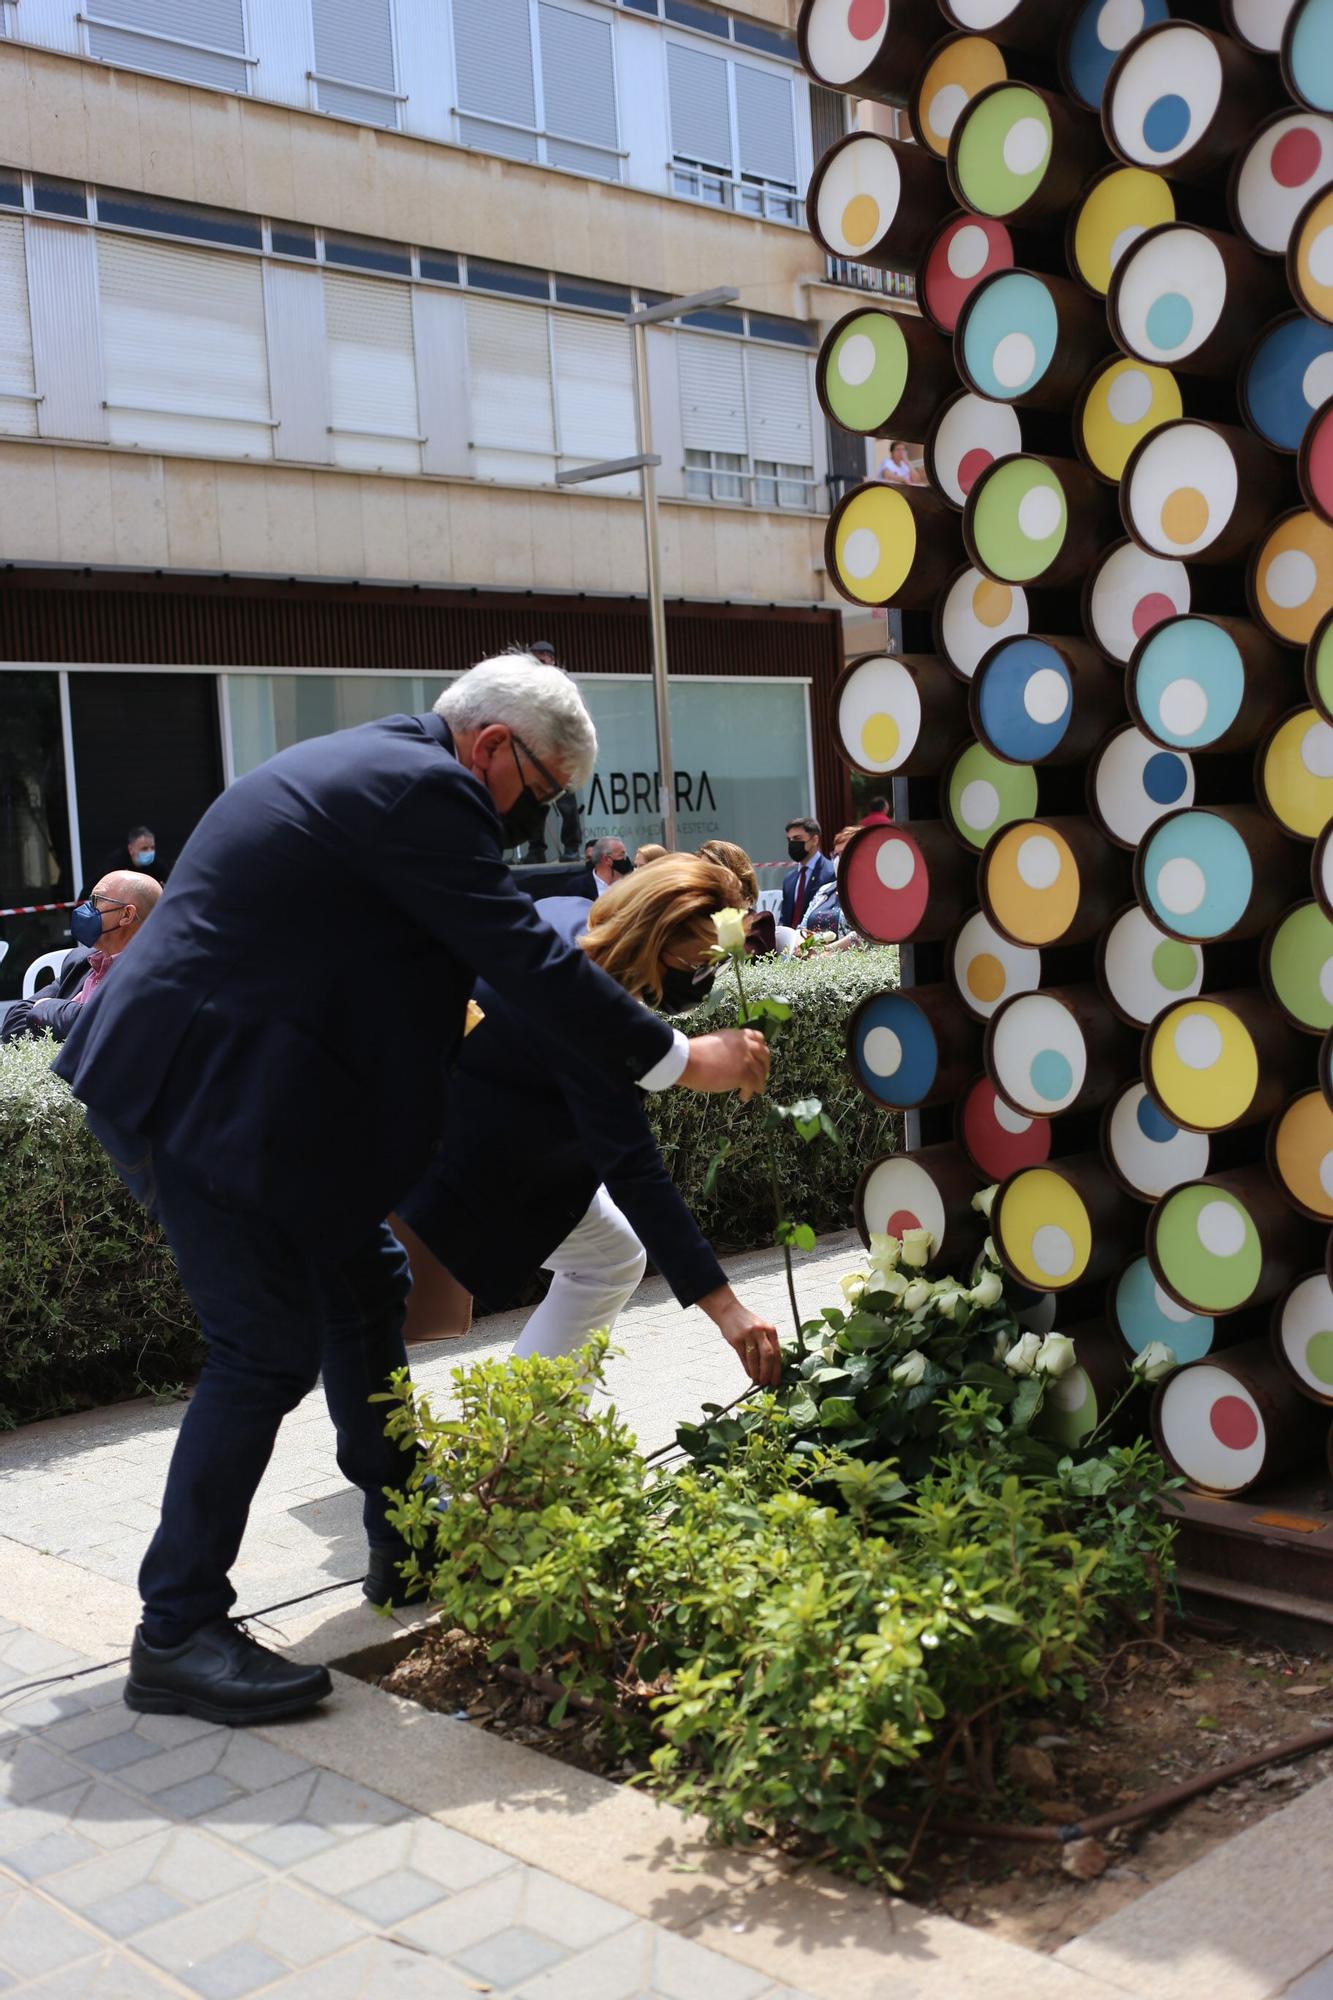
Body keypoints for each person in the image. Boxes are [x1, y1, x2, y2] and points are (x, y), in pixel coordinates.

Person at [53, 655, 770, 1726]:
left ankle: (405, 1537)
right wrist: (679, 1058)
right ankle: (176, 1629)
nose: (534, 822)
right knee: (266, 1344)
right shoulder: (423, 789)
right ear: (492, 748)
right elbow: (524, 957)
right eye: (539, 794)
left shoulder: (381, 768)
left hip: (244, 1096)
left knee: (366, 1280)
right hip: (191, 1094)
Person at [393, 858, 782, 1427]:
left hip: (442, 1118)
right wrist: (727, 1309)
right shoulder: (585, 1014)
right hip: (460, 1163)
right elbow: (634, 1170)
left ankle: (522, 1430)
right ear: (657, 940)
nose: (704, 977)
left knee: (613, 1255)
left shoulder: (564, 918)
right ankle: (514, 1442)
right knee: (369, 1327)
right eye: (699, 962)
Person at [2, 871, 160, 1044]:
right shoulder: (80, 962)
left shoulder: (153, 974)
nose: (85, 909)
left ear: (126, 915)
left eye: (95, 901)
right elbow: (15, 1018)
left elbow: (103, 1025)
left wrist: (45, 1007)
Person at [526, 642, 583, 861]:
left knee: (566, 804)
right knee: (534, 804)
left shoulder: (563, 683)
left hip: (560, 750)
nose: (540, 660)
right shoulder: (524, 685)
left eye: (543, 656)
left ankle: (571, 847)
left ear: (551, 659)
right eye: (536, 657)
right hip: (534, 750)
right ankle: (536, 849)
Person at [780, 817, 835, 929]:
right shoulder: (789, 879)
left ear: (814, 840)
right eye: (789, 840)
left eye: (797, 838)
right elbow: (785, 918)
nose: (792, 843)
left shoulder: (830, 872)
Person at [803, 826, 857, 935]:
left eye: (844, 853)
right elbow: (802, 928)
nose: (838, 859)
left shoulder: (871, 893)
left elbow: (864, 937)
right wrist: (803, 944)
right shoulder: (825, 890)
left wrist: (827, 950)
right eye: (836, 854)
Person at [91, 825, 163, 891]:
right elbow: (110, 888)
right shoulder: (117, 862)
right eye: (144, 848)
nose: (150, 852)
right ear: (131, 849)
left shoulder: (154, 862)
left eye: (152, 848)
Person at [570, 835, 632, 900]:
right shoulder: (576, 887)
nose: (626, 859)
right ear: (607, 860)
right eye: (622, 855)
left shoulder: (632, 884)